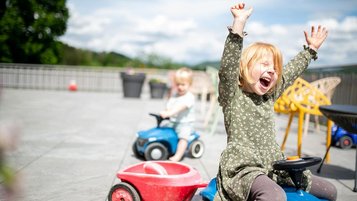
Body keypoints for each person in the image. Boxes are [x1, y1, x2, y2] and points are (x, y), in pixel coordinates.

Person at [214, 2, 337, 201]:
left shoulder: (269, 95)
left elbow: (289, 72)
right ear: (244, 68)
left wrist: (311, 49)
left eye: (275, 67)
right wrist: (239, 24)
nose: (272, 70)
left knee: (329, 190)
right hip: (245, 170)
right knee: (273, 196)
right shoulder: (232, 96)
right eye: (264, 64)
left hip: (275, 166)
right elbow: (228, 65)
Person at [160, 67, 195, 162]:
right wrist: (166, 110)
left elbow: (180, 107)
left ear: (189, 85)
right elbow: (169, 105)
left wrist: (170, 113)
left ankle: (178, 156)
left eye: (183, 84)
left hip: (185, 123)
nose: (180, 87)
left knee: (183, 137)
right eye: (178, 84)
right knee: (163, 128)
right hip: (173, 122)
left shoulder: (189, 97)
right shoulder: (175, 95)